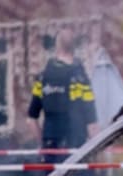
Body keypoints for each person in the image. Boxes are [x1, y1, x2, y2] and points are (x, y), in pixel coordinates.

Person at [27, 28, 98, 163]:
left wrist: (43, 143)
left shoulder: (43, 78)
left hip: (51, 147)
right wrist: (96, 153)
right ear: (74, 48)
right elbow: (92, 124)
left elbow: (31, 119)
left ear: (56, 47)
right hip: (77, 147)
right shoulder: (81, 79)